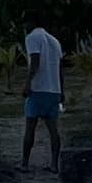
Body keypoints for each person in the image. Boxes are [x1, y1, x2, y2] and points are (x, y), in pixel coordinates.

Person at [18, 22, 65, 171]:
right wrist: (62, 90)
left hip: (38, 89)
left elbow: (35, 61)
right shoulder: (54, 41)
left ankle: (25, 164)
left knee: (30, 127)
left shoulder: (32, 37)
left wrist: (27, 83)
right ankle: (54, 165)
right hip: (54, 90)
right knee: (53, 129)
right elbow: (60, 68)